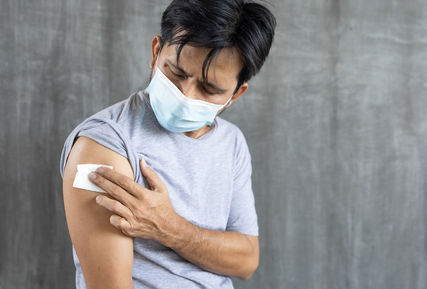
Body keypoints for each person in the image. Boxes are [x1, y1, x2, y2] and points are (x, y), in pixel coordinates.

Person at [59, 0, 276, 288]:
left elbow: (246, 260)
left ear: (235, 95)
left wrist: (169, 227)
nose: (185, 94)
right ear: (156, 52)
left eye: (209, 89)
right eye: (176, 72)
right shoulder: (103, 146)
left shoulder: (231, 142)